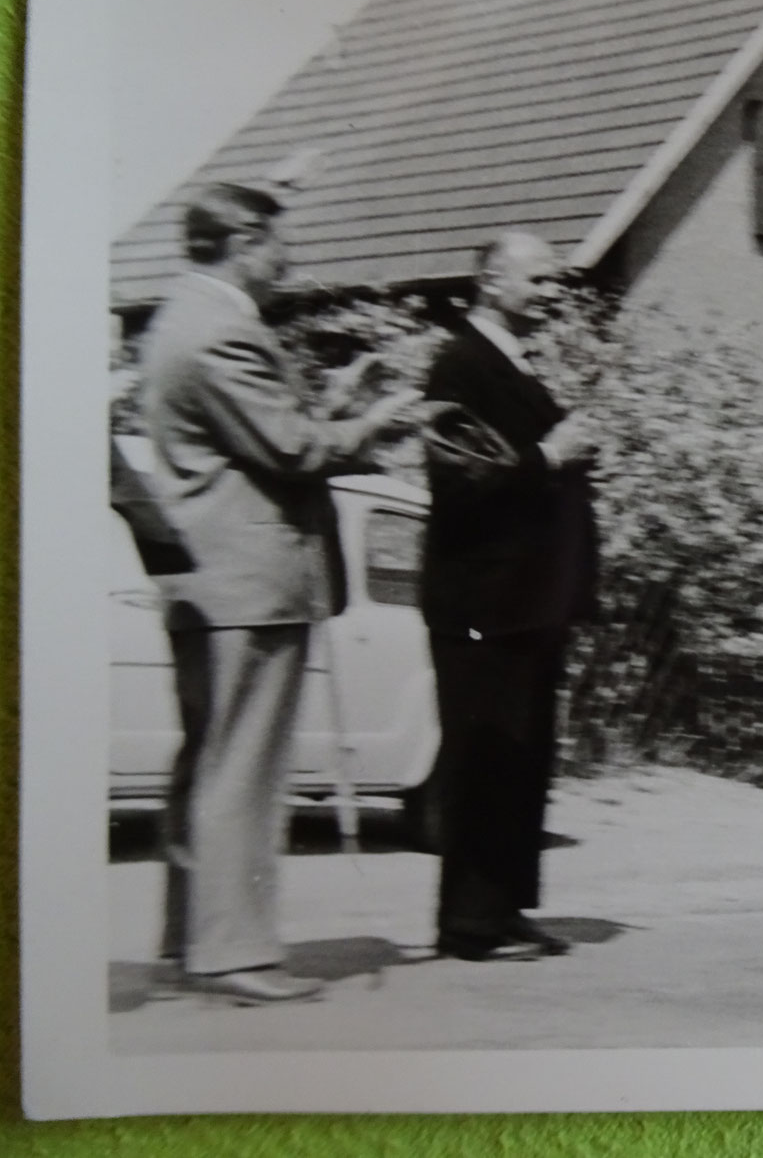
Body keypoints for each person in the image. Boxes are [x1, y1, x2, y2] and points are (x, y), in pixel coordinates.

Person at [139, 182, 420, 1005]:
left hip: (210, 578)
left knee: (208, 763)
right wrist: (379, 420)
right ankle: (234, 954)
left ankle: (189, 942)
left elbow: (252, 440)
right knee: (245, 774)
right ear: (244, 241)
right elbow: (294, 451)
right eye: (278, 243)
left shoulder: (178, 319)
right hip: (251, 582)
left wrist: (334, 401)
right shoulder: (224, 329)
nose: (288, 259)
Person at [420, 232, 600, 963]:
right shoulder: (460, 363)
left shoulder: (510, 362)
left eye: (554, 280)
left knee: (522, 759)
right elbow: (461, 480)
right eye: (538, 279)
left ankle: (502, 908)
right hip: (484, 601)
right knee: (484, 756)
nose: (552, 291)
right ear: (492, 282)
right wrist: (552, 455)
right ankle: (467, 921)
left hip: (528, 601)